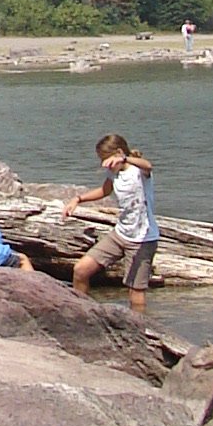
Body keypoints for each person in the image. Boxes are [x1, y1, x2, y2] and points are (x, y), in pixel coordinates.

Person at [64, 131, 160, 312]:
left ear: (118, 153)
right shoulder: (113, 173)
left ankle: (140, 330)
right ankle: (83, 313)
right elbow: (104, 191)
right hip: (120, 234)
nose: (102, 164)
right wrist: (78, 199)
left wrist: (124, 159)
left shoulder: (139, 171)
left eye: (105, 159)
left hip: (142, 239)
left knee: (135, 293)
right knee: (81, 270)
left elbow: (149, 165)